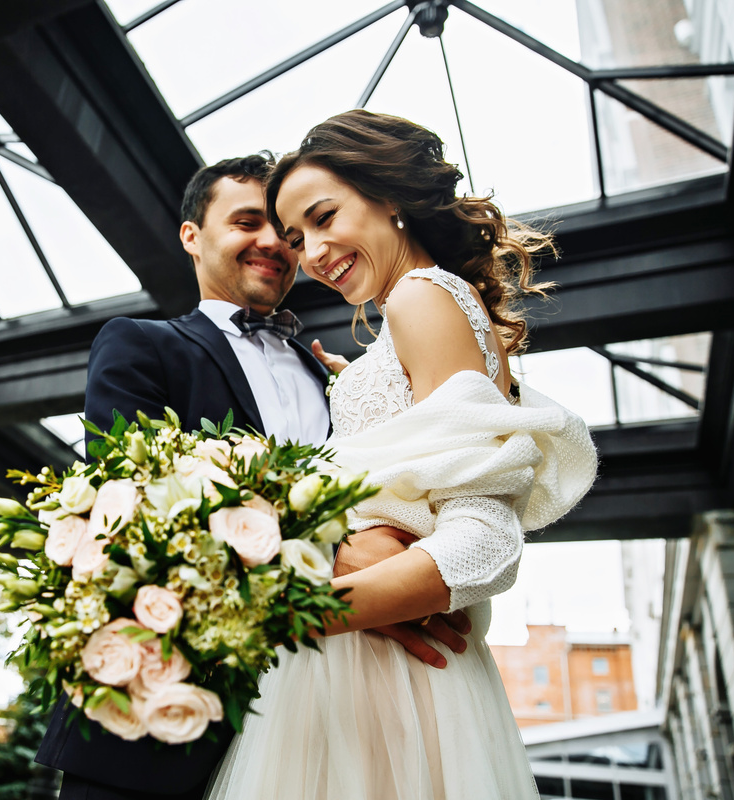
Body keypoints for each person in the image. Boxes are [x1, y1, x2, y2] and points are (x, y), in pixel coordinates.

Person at [35, 152, 470, 800]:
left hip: (324, 731)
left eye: (288, 235)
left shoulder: (341, 377)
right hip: (159, 726)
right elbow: (141, 501)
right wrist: (340, 567)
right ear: (192, 236)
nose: (273, 243)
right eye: (246, 222)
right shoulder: (138, 345)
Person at [205, 110, 599, 800]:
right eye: (300, 239)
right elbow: (419, 460)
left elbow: (483, 542)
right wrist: (353, 381)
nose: (315, 252)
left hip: (381, 674)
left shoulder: (421, 297)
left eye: (326, 217)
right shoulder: (425, 305)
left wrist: (286, 612)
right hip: (379, 667)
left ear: (389, 199)